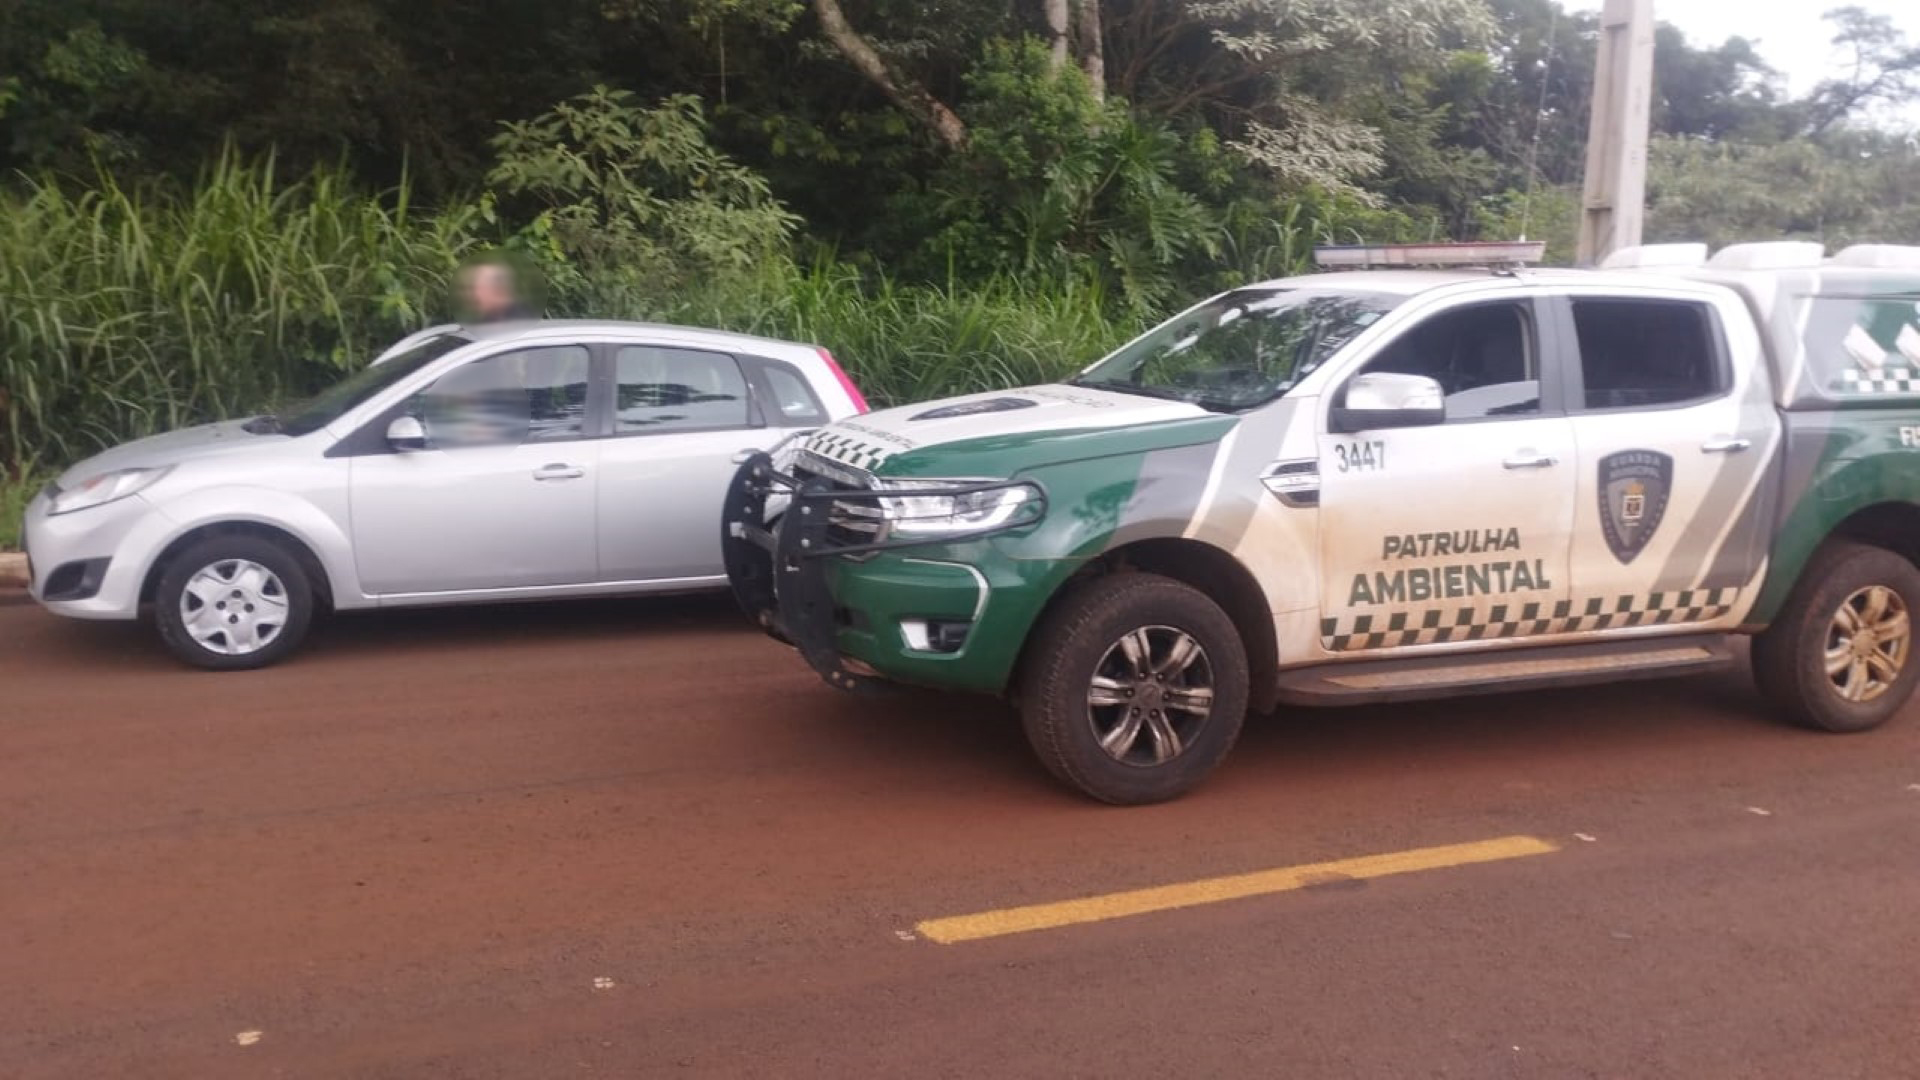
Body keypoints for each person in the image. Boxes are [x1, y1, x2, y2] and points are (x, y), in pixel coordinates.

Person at [454, 256, 539, 323]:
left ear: (498, 290)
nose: (472, 295)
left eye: (477, 288)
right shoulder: (485, 320)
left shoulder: (521, 324)